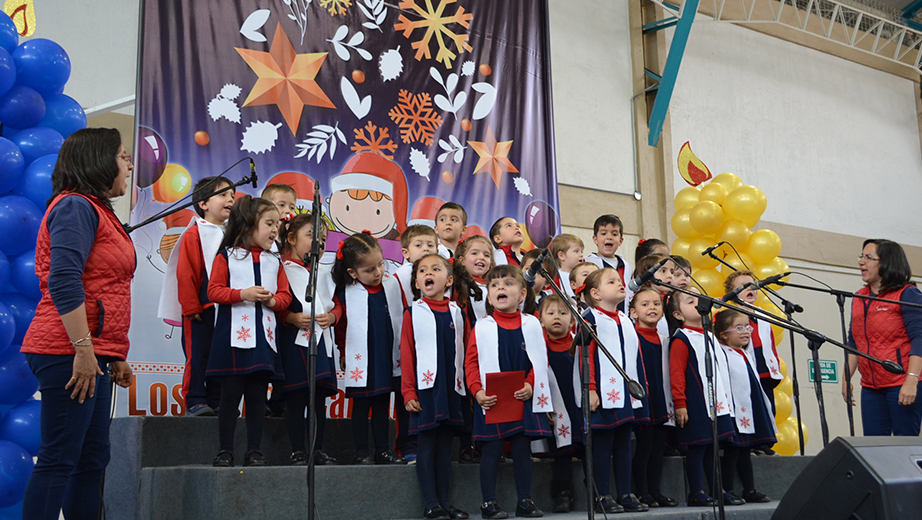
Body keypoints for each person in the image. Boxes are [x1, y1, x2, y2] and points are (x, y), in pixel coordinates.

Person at [20, 128, 135, 520]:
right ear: (98, 161)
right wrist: (84, 350)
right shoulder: (74, 207)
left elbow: (105, 286)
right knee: (60, 458)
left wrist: (112, 353)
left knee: (92, 459)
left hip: (91, 350)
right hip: (66, 349)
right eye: (122, 156)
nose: (129, 164)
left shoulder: (96, 209)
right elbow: (64, 279)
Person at [207, 196, 292, 467]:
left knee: (257, 397)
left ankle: (254, 450)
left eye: (277, 224)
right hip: (233, 339)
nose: (275, 229)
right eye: (269, 223)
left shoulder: (274, 261)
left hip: (263, 340)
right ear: (247, 226)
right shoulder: (226, 257)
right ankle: (225, 450)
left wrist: (272, 301)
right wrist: (242, 293)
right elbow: (213, 291)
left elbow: (285, 296)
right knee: (230, 396)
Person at [465, 265, 552, 519]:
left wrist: (530, 384)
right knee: (491, 449)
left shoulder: (532, 323)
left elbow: (539, 360)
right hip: (491, 399)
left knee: (522, 449)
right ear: (489, 296)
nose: (500, 287)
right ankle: (488, 503)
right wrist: (477, 391)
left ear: (522, 294)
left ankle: (524, 500)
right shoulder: (482, 326)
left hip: (522, 396)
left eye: (507, 283)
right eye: (494, 285)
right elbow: (471, 362)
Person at [400, 254, 470, 520]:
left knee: (445, 447)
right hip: (426, 390)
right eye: (423, 270)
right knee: (427, 444)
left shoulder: (458, 313)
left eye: (436, 269)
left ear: (449, 280)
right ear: (417, 281)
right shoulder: (412, 313)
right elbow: (406, 353)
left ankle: (445, 502)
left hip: (451, 388)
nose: (428, 273)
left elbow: (465, 353)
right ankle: (431, 504)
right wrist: (408, 391)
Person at [576, 268, 649, 513]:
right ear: (595, 293)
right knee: (603, 444)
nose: (620, 284)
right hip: (604, 394)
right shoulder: (591, 319)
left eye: (619, 280)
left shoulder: (626, 319)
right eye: (612, 281)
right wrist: (592, 389)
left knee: (625, 444)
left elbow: (635, 357)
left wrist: (641, 387)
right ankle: (602, 495)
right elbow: (586, 355)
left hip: (626, 393)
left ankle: (626, 493)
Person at [333, 232, 407, 464]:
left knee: (382, 402)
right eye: (369, 270)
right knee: (361, 404)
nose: (378, 272)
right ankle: (362, 451)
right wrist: (344, 350)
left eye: (380, 264)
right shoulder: (347, 293)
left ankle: (383, 450)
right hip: (362, 357)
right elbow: (342, 326)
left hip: (385, 354)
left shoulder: (391, 286)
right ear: (353, 273)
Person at [168, 176, 235, 417]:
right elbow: (186, 273)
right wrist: (191, 306)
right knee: (198, 356)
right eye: (223, 195)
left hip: (225, 309)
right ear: (203, 203)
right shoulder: (194, 234)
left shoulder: (234, 235)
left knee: (221, 356)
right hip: (201, 308)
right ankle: (195, 399)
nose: (230, 199)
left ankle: (217, 400)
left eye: (232, 196)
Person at [277, 213, 341, 466]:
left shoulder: (324, 273)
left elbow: (337, 305)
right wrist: (290, 317)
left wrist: (334, 317)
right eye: (312, 237)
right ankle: (297, 450)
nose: (319, 244)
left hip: (320, 343)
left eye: (323, 240)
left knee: (317, 399)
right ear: (291, 238)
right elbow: (275, 303)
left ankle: (317, 448)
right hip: (293, 342)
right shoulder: (281, 268)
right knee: (296, 396)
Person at [844, 239, 922, 436]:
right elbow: (854, 342)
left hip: (901, 383)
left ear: (887, 263)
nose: (861, 261)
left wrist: (911, 381)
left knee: (904, 449)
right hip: (871, 387)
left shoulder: (908, 294)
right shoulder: (859, 297)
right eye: (861, 256)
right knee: (874, 449)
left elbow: (919, 339)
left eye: (869, 257)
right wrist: (846, 378)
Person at [667, 288, 736, 507]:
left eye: (699, 298)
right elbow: (676, 372)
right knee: (698, 447)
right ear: (678, 315)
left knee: (713, 447)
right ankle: (696, 490)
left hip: (716, 401)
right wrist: (680, 403)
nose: (698, 303)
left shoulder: (709, 335)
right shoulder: (681, 339)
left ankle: (717, 488)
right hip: (696, 401)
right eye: (690, 301)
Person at [715, 309, 775, 505]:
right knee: (733, 450)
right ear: (723, 334)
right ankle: (727, 489)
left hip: (748, 407)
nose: (745, 331)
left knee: (745, 449)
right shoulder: (722, 353)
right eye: (738, 328)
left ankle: (749, 489)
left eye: (747, 327)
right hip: (734, 408)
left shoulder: (746, 354)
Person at [629, 287, 678, 508]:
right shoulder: (632, 337)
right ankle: (641, 491)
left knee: (658, 448)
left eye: (656, 304)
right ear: (634, 313)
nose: (652, 308)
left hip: (661, 397)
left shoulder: (665, 339)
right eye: (645, 304)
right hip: (643, 398)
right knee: (644, 447)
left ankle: (655, 490)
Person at [539, 295, 581, 513]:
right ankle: (562, 492)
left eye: (563, 313)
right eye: (551, 313)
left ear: (572, 321)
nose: (557, 317)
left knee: (586, 445)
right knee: (562, 452)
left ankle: (598, 491)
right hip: (555, 409)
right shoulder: (539, 349)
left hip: (578, 407)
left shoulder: (579, 345)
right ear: (541, 320)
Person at [585, 215, 633, 309]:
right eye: (603, 233)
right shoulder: (587, 263)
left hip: (623, 316)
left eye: (614, 234)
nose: (609, 237)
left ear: (621, 240)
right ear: (595, 239)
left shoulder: (627, 267)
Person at [395, 224, 439, 307]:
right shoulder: (401, 275)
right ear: (406, 253)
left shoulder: (442, 272)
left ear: (437, 251)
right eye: (418, 245)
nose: (426, 248)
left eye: (430, 245)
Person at [548, 234, 584, 300]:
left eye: (581, 251)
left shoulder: (584, 275)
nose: (581, 255)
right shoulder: (554, 278)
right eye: (576, 251)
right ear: (561, 255)